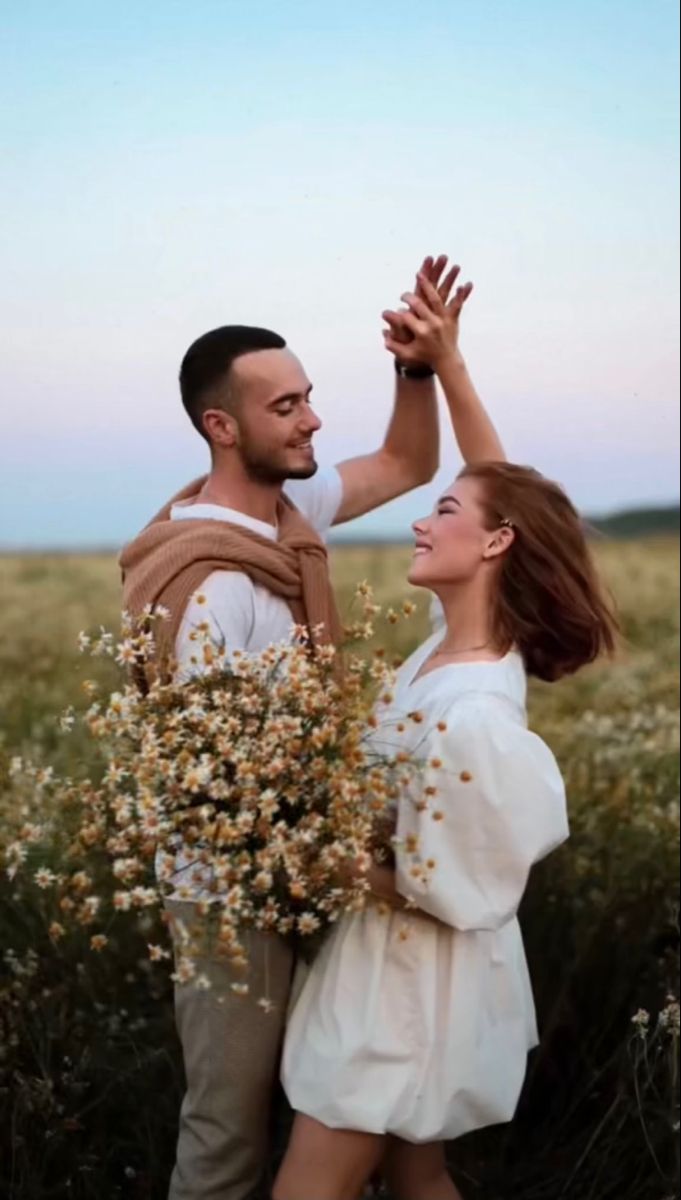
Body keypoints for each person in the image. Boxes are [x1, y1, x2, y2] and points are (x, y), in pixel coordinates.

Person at [119, 255, 503, 1200]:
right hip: (231, 894)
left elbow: (411, 464)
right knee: (228, 1139)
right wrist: (361, 873)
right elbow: (211, 785)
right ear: (222, 427)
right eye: (284, 406)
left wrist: (416, 369)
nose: (311, 420)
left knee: (344, 1116)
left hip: (318, 868)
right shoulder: (210, 580)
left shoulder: (291, 517)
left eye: (309, 398)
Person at [274, 276, 619, 1200]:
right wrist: (444, 365)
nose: (420, 519)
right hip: (384, 968)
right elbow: (503, 493)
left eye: (445, 512)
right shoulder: (451, 646)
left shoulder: (477, 712)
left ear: (495, 545)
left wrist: (323, 857)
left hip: (407, 990)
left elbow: (465, 891)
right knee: (418, 1179)